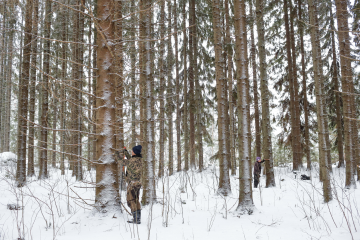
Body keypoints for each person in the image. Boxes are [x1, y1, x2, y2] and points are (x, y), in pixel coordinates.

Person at [116, 145, 143, 224]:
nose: (131, 151)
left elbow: (121, 162)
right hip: (138, 183)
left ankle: (136, 218)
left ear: (134, 152)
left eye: (132, 150)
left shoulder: (131, 161)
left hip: (132, 183)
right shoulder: (140, 160)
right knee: (136, 199)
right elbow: (131, 159)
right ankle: (138, 217)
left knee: (130, 200)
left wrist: (116, 153)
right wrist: (125, 152)